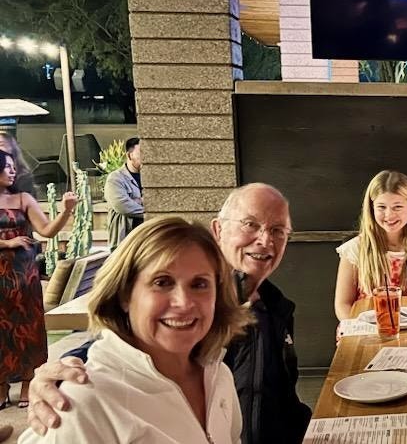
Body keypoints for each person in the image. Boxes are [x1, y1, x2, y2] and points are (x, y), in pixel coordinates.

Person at [26, 183, 313, 444]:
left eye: (278, 230)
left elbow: (281, 401)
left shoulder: (270, 311)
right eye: (251, 224)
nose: (265, 240)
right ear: (218, 229)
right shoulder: (82, 402)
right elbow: (121, 353)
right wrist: (60, 372)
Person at [18, 217, 251, 443]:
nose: (184, 302)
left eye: (199, 284)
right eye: (162, 282)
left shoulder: (219, 376)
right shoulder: (82, 401)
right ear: (124, 295)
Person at [0, 150, 76, 410]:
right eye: (7, 167)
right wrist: (7, 242)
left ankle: (27, 383)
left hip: (23, 275)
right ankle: (1, 387)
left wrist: (66, 212)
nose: (12, 171)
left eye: (13, 167)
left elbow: (46, 231)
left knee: (28, 327)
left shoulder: (23, 199)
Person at [334, 171, 407, 322]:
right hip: (365, 332)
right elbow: (342, 305)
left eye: (397, 207)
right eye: (381, 207)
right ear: (371, 208)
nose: (389, 215)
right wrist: (356, 327)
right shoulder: (355, 249)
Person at [104, 137, 144, 249]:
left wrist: (136, 200)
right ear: (129, 155)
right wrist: (151, 212)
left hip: (145, 239)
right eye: (141, 153)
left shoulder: (150, 178)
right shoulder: (116, 179)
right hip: (124, 241)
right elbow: (123, 206)